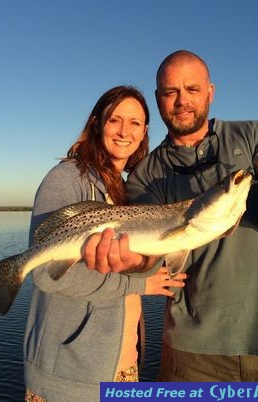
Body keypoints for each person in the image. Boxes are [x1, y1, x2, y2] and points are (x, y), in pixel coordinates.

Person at [83, 51, 258, 382]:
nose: (181, 101)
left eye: (192, 89)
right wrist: (130, 261)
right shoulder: (145, 174)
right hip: (192, 354)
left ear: (210, 92)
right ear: (159, 98)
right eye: (170, 91)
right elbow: (151, 260)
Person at [24, 85, 186, 402]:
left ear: (144, 132)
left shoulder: (125, 190)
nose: (125, 131)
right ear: (97, 123)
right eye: (115, 120)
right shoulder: (66, 178)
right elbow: (44, 272)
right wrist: (141, 286)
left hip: (123, 368)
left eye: (135, 123)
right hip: (70, 377)